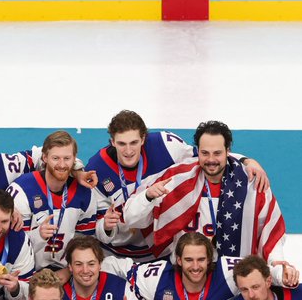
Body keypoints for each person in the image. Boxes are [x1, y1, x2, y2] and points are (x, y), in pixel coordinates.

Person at [86, 110, 268, 262]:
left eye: (134, 142)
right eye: (121, 144)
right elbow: (97, 228)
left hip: (160, 250)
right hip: (118, 254)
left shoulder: (166, 145)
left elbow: (207, 156)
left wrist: (246, 160)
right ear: (112, 142)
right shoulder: (96, 170)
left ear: (143, 138)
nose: (128, 150)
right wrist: (106, 227)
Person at [122, 120, 288, 276]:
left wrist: (278, 267)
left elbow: (271, 230)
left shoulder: (251, 183)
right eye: (204, 153)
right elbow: (131, 218)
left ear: (228, 151)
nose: (211, 160)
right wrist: (147, 197)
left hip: (234, 279)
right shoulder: (176, 177)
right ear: (197, 151)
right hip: (185, 276)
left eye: (217, 153)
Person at [8, 130, 116, 273]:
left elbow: (85, 242)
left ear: (74, 159)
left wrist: (68, 272)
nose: (62, 164)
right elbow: (11, 244)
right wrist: (38, 235)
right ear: (45, 158)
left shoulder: (84, 192)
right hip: (27, 272)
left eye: (67, 158)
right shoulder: (22, 190)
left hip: (66, 271)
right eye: (56, 158)